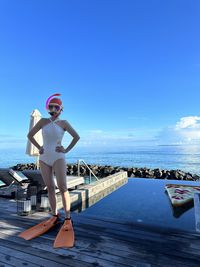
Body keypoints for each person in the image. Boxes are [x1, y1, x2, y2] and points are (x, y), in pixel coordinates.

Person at [27, 93, 80, 222]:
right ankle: (55, 214)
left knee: (62, 187)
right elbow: (30, 135)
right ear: (48, 108)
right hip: (44, 158)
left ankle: (67, 217)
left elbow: (76, 137)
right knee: (50, 187)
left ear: (61, 109)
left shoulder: (64, 123)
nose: (53, 110)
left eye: (56, 107)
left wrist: (66, 149)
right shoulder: (43, 121)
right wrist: (39, 147)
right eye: (50, 107)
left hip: (58, 157)